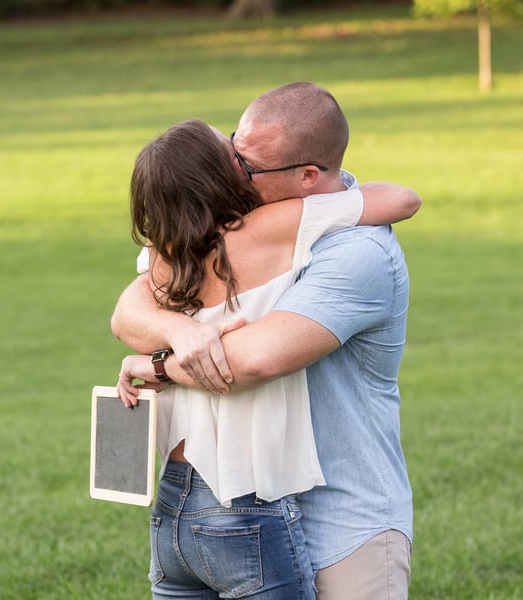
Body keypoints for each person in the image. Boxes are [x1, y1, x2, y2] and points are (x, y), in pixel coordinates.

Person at [113, 82, 415, 600]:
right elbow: (129, 310)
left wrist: (157, 365)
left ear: (307, 175)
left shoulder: (355, 251)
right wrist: (180, 333)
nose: (237, 169)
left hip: (339, 521)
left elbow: (254, 358)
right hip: (249, 502)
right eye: (231, 152)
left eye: (246, 163)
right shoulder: (268, 230)